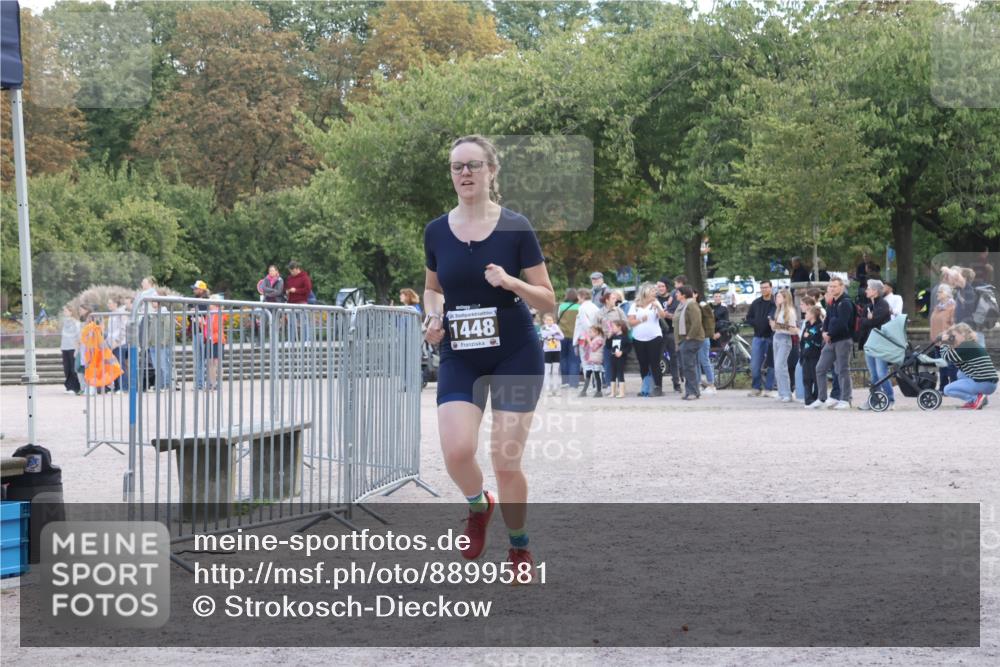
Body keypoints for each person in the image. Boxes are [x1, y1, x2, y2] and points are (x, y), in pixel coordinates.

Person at [422, 134, 555, 581]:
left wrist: (512, 283)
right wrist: (432, 317)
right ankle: (480, 506)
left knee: (505, 459)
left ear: (492, 172)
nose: (464, 173)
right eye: (457, 166)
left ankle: (519, 547)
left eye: (473, 165)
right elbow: (432, 288)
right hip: (461, 353)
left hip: (515, 352)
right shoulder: (436, 231)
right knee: (458, 451)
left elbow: (549, 301)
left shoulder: (516, 227)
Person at [815, 277, 855, 409]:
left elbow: (843, 324)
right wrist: (824, 332)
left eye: (835, 286)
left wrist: (830, 333)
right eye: (830, 286)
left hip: (843, 340)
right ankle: (821, 398)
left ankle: (845, 399)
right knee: (820, 368)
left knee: (843, 370)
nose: (832, 288)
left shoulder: (846, 303)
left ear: (841, 287)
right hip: (831, 341)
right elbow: (827, 320)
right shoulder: (832, 302)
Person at [939, 323, 998, 409]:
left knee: (947, 389)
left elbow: (946, 356)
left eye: (954, 335)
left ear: (962, 334)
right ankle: (980, 398)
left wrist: (944, 342)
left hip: (983, 383)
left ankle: (974, 399)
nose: (952, 338)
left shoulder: (965, 346)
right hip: (990, 384)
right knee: (960, 373)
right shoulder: (972, 344)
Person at [856, 279, 894, 410]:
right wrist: (868, 319)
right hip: (869, 343)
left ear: (875, 291)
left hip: (880, 344)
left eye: (868, 288)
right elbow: (862, 322)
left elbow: (874, 322)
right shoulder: (868, 306)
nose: (866, 290)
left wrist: (868, 320)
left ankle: (890, 399)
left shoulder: (883, 305)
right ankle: (875, 399)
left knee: (881, 372)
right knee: (873, 374)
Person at [628, 283, 666, 397]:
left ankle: (658, 387)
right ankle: (646, 387)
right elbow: (630, 322)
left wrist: (658, 307)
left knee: (655, 363)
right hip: (638, 338)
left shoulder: (656, 303)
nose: (655, 293)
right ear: (646, 292)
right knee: (643, 363)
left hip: (654, 337)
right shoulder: (635, 305)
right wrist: (640, 320)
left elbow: (662, 316)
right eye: (653, 291)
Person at [745, 280, 777, 397]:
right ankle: (756, 387)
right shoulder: (756, 303)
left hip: (772, 337)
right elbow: (748, 317)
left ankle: (769, 388)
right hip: (758, 337)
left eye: (766, 287)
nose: (764, 290)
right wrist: (756, 323)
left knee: (771, 364)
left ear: (771, 288)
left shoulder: (775, 302)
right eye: (762, 288)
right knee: (754, 364)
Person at [673, 286, 705, 400]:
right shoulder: (681, 305)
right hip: (684, 339)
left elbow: (696, 322)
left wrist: (689, 336)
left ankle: (692, 392)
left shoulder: (691, 304)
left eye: (677, 293)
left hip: (693, 339)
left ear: (684, 295)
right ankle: (692, 391)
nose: (676, 294)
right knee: (687, 366)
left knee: (689, 366)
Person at [770, 287, 797, 402]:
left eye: (779, 297)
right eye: (776, 297)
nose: (777, 298)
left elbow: (793, 329)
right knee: (777, 366)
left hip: (785, 339)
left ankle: (787, 393)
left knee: (781, 366)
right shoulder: (779, 310)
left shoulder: (790, 312)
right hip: (776, 337)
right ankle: (781, 392)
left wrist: (777, 326)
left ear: (785, 298)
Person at [657, 276, 683, 393]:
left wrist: (666, 315)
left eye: (662, 286)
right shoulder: (655, 299)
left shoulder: (674, 297)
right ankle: (658, 385)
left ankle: (676, 384)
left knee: (674, 358)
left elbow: (677, 315)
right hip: (658, 332)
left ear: (667, 287)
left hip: (672, 332)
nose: (660, 288)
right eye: (658, 286)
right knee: (657, 359)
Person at [930, 284, 958, 389]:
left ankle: (955, 386)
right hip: (937, 341)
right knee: (942, 366)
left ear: (946, 294)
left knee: (951, 366)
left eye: (940, 292)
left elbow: (956, 324)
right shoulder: (938, 307)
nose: (937, 294)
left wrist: (947, 334)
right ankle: (943, 387)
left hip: (948, 341)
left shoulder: (953, 307)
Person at [598, 290, 627, 389]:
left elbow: (626, 324)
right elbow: (595, 328)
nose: (616, 300)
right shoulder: (600, 313)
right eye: (613, 298)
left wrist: (619, 330)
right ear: (607, 300)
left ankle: (620, 386)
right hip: (606, 341)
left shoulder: (619, 310)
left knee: (618, 364)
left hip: (618, 340)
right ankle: (610, 386)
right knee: (607, 364)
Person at [692, 287, 716, 395]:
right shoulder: (690, 305)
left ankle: (711, 384)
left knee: (704, 360)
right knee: (696, 361)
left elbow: (710, 320)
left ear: (696, 294)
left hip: (703, 336)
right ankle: (698, 384)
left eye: (692, 294)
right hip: (694, 337)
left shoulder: (702, 305)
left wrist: (708, 334)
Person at [800, 305, 825, 408]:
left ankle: (817, 398)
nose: (805, 315)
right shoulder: (807, 325)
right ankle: (808, 400)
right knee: (806, 379)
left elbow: (818, 341)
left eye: (807, 313)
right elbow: (803, 340)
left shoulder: (820, 326)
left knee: (816, 378)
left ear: (813, 315)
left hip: (815, 356)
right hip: (806, 355)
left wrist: (809, 337)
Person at [188, 280, 211, 390]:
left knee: (204, 359)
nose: (194, 290)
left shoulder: (206, 302)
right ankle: (199, 383)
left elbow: (205, 318)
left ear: (201, 290)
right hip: (196, 332)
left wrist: (194, 313)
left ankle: (205, 383)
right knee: (198, 360)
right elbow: (189, 317)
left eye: (196, 289)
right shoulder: (194, 301)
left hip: (204, 333)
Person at [556, 288, 580, 389]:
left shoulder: (561, 306)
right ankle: (573, 383)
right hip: (575, 336)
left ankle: (565, 381)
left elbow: (557, 318)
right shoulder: (579, 307)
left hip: (562, 335)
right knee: (574, 359)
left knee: (563, 358)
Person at [204, 295, 227, 390]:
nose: (209, 304)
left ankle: (218, 382)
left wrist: (205, 323)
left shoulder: (220, 313)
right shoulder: (208, 314)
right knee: (210, 363)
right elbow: (206, 328)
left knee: (217, 363)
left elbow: (216, 328)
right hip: (209, 340)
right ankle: (212, 382)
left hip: (217, 340)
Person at [538, 312, 563, 396]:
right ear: (544, 321)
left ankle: (555, 388)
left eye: (551, 320)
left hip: (557, 350)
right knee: (547, 370)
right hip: (548, 351)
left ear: (553, 320)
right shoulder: (543, 328)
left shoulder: (556, 326)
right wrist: (555, 333)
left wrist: (553, 333)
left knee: (555, 370)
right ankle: (547, 388)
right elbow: (544, 334)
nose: (549, 321)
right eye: (547, 320)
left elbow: (561, 336)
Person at [59, 306, 82, 395]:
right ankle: (69, 386)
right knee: (67, 368)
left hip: (72, 347)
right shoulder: (65, 322)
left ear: (71, 312)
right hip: (65, 348)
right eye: (64, 311)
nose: (64, 312)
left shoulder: (76, 323)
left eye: (66, 311)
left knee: (73, 368)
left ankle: (75, 387)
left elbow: (78, 335)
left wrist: (77, 348)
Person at [607, 319, 631, 398]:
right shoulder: (613, 337)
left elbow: (629, 347)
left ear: (619, 327)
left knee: (620, 373)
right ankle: (613, 392)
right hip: (613, 357)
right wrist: (608, 337)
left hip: (621, 358)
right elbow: (608, 346)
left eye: (613, 327)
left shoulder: (625, 337)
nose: (612, 328)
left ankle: (622, 392)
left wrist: (622, 352)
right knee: (613, 373)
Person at [580, 324, 606, 397]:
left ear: (597, 332)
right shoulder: (592, 339)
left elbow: (594, 348)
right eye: (589, 332)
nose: (589, 334)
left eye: (591, 332)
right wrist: (585, 342)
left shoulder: (600, 340)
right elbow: (586, 348)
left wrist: (588, 340)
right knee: (588, 375)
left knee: (597, 375)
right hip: (590, 360)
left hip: (596, 360)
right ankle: (584, 391)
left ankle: (599, 391)